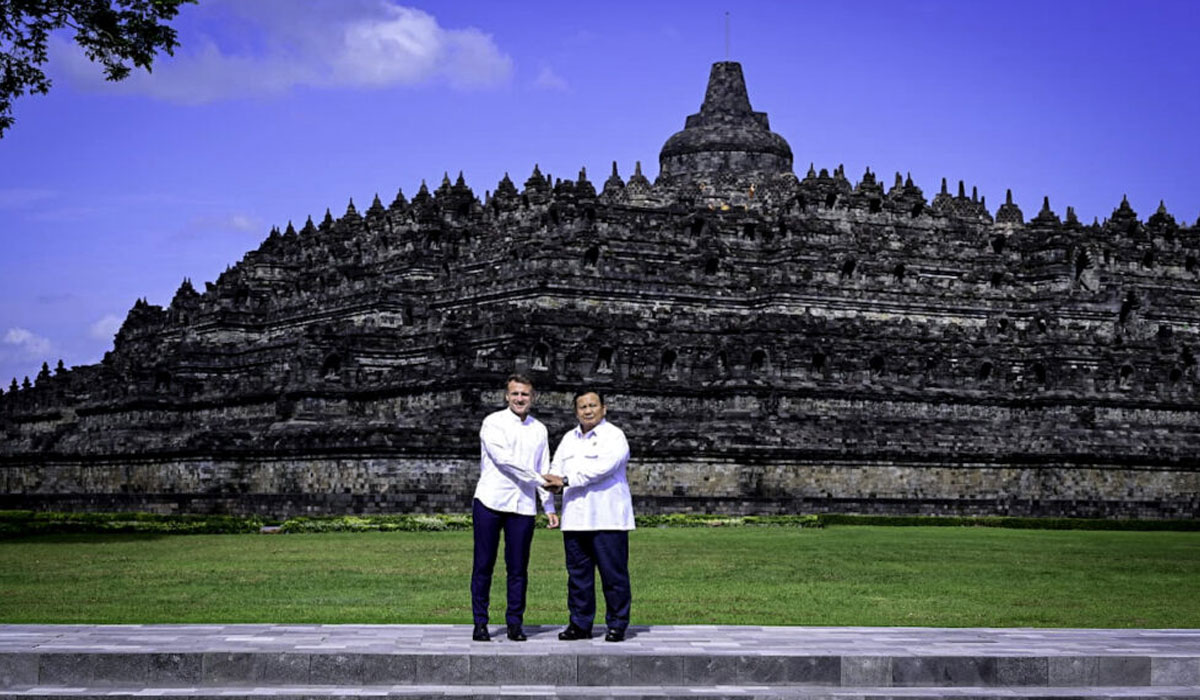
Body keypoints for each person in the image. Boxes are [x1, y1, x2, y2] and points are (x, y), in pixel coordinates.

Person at [471, 374, 559, 642]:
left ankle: (514, 624)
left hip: (522, 505)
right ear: (506, 396)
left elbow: (545, 465)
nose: (520, 399)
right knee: (484, 564)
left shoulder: (539, 429)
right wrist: (539, 480)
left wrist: (549, 506)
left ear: (533, 398)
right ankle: (480, 623)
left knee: (518, 568)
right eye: (515, 394)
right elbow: (504, 460)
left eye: (525, 395)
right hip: (490, 501)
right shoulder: (493, 423)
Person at [547, 389, 634, 642]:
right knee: (578, 577)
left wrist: (565, 480)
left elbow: (602, 468)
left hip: (608, 518)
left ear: (603, 408)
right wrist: (552, 491)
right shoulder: (568, 439)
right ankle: (580, 624)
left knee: (613, 575)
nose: (588, 410)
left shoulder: (614, 436)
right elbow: (555, 467)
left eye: (593, 405)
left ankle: (617, 624)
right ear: (576, 412)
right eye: (582, 407)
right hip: (575, 517)